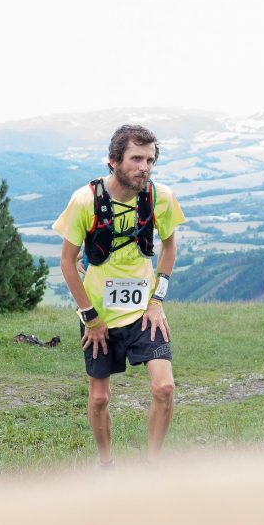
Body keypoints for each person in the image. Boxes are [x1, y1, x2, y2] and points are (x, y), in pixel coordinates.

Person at [54, 124, 185, 467]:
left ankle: (152, 467)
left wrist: (158, 301)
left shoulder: (161, 198)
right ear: (113, 160)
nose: (145, 167)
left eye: (151, 160)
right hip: (98, 315)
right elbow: (67, 263)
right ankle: (107, 466)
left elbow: (170, 248)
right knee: (99, 398)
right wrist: (90, 318)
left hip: (144, 313)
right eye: (136, 158)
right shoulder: (84, 201)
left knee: (164, 388)